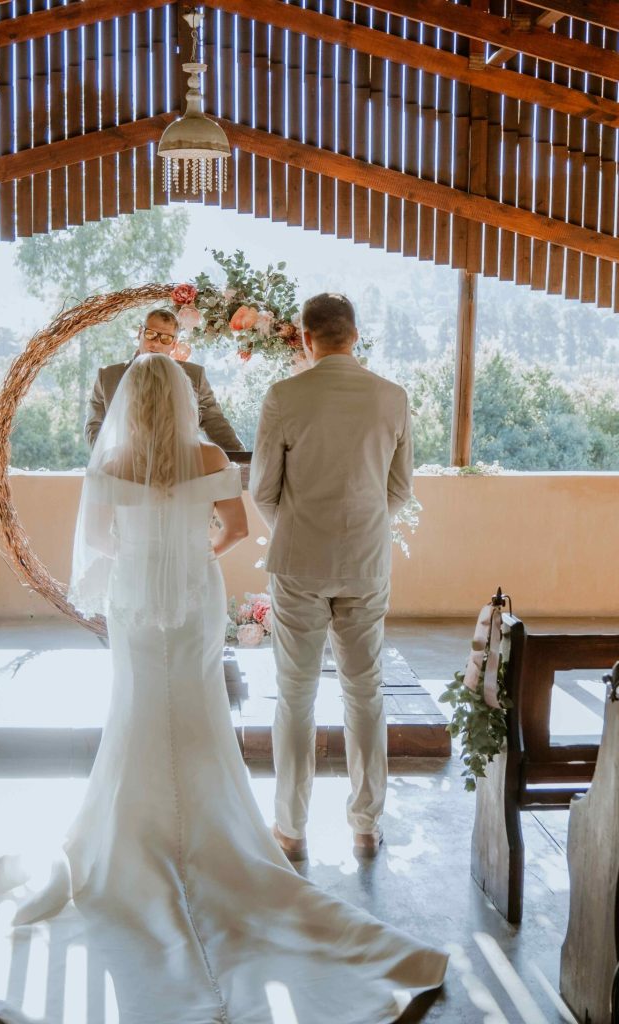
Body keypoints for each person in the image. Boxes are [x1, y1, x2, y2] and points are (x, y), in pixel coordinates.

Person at [0, 354, 445, 1023]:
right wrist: (193, 552)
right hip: (194, 595)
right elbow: (234, 528)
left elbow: (105, 540)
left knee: (137, 707)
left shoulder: (111, 464)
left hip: (137, 596)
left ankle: (130, 838)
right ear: (180, 400)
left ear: (129, 403)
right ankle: (218, 835)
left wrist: (150, 551)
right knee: (198, 707)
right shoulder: (206, 457)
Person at [250, 292, 413, 861]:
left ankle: (291, 830)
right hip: (366, 562)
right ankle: (365, 826)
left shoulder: (284, 396)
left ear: (304, 337)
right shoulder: (391, 398)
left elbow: (263, 489)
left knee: (295, 695)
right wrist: (359, 531)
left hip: (298, 562)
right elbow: (399, 490)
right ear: (355, 334)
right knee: (364, 691)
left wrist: (298, 527)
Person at [85, 306, 244, 451]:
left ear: (174, 344)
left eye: (165, 338)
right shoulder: (107, 377)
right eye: (150, 334)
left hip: (178, 469)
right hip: (123, 469)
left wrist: (242, 459)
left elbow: (215, 423)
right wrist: (110, 459)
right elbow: (94, 426)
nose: (156, 343)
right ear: (140, 333)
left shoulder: (195, 376)